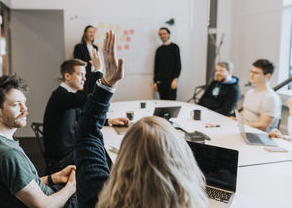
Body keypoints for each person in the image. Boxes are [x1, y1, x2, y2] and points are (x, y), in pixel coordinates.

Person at [74, 31, 208, 208]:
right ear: (183, 163)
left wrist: (107, 84)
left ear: (124, 160)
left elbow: (86, 134)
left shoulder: (97, 198)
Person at [0, 75, 76, 208]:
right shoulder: (8, 154)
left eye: (24, 103)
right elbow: (44, 206)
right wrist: (72, 186)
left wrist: (54, 178)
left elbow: (19, 185)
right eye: (16, 105)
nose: (25, 110)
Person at [43, 56, 129, 174]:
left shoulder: (67, 95)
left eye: (85, 75)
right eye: (80, 75)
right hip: (61, 161)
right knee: (106, 156)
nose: (84, 79)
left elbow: (84, 115)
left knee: (104, 151)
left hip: (67, 151)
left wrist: (109, 121)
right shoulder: (61, 96)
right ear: (67, 76)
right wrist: (98, 69)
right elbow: (92, 99)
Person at [232, 59, 281, 132]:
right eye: (251, 72)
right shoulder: (250, 92)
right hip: (244, 130)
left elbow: (263, 126)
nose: (251, 75)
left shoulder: (270, 98)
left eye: (256, 73)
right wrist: (236, 119)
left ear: (267, 76)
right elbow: (246, 111)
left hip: (258, 135)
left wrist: (241, 124)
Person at [153, 27, 181, 100]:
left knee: (171, 104)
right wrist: (155, 82)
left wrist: (175, 79)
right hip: (161, 83)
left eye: (164, 34)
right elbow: (156, 67)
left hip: (171, 82)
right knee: (162, 103)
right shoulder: (159, 50)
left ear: (168, 34)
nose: (162, 36)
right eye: (160, 34)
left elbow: (178, 65)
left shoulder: (175, 47)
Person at [73, 25, 99, 94]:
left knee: (93, 95)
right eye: (90, 32)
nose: (92, 34)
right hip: (84, 76)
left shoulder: (95, 47)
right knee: (84, 96)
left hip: (94, 75)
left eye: (93, 32)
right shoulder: (79, 47)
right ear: (85, 33)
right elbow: (76, 63)